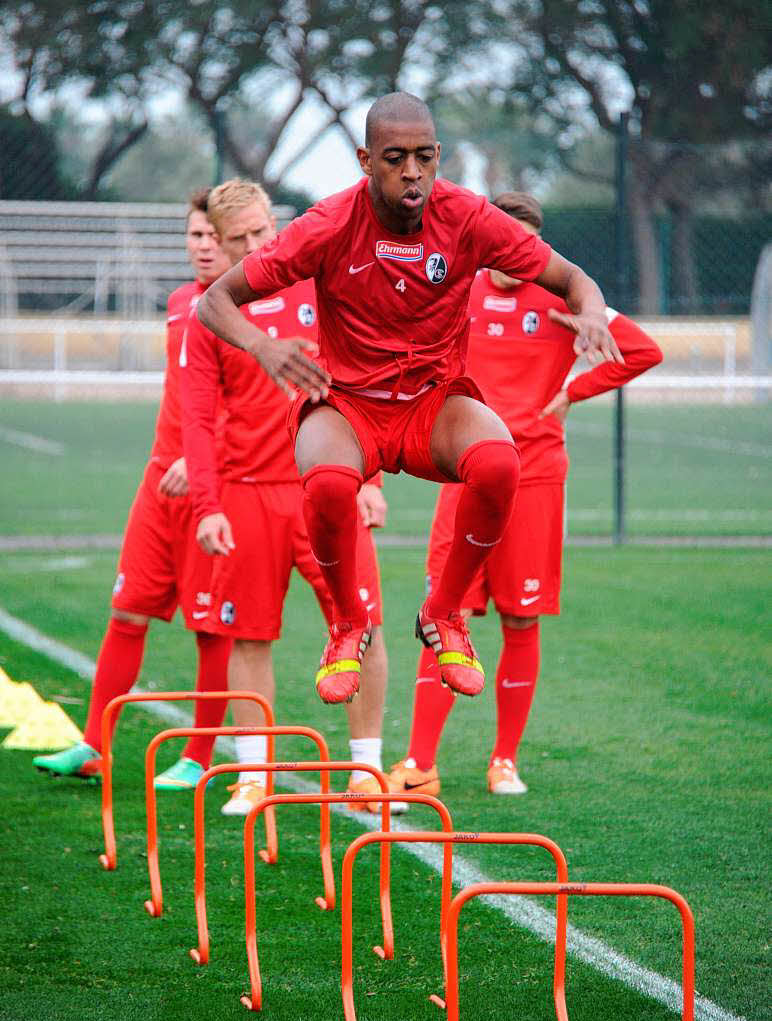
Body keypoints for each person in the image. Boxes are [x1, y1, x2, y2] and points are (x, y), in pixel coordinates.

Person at [196, 92, 623, 712]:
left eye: (425, 157)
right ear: (366, 159)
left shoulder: (470, 218)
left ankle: (446, 613)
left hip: (432, 405)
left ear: (439, 156)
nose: (413, 172)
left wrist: (588, 314)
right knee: (330, 484)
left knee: (502, 463)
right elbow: (216, 302)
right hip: (349, 403)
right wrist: (263, 347)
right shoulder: (327, 224)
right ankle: (347, 624)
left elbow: (572, 277)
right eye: (396, 158)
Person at [387, 191, 663, 803]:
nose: (511, 256)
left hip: (534, 475)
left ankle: (504, 761)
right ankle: (418, 761)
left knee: (521, 617)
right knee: (443, 612)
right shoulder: (455, 291)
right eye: (501, 242)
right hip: (461, 472)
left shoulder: (566, 296)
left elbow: (644, 349)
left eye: (524, 245)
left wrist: (575, 391)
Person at [181, 179, 389, 814]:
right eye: (239, 237)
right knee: (248, 637)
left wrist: (371, 480)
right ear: (217, 240)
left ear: (277, 224)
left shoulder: (322, 283)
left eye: (261, 231)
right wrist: (208, 505)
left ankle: (367, 771)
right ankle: (254, 774)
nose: (254, 245)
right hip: (246, 497)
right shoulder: (212, 311)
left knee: (364, 628)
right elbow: (196, 417)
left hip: (328, 485)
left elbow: (367, 380)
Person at [33, 190, 233, 784]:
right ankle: (93, 746)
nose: (203, 247)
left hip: (212, 488)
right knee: (126, 610)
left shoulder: (249, 310)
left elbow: (255, 406)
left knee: (210, 624)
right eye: (195, 235)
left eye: (214, 237)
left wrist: (206, 464)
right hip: (159, 480)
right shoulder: (178, 304)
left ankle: (198, 757)